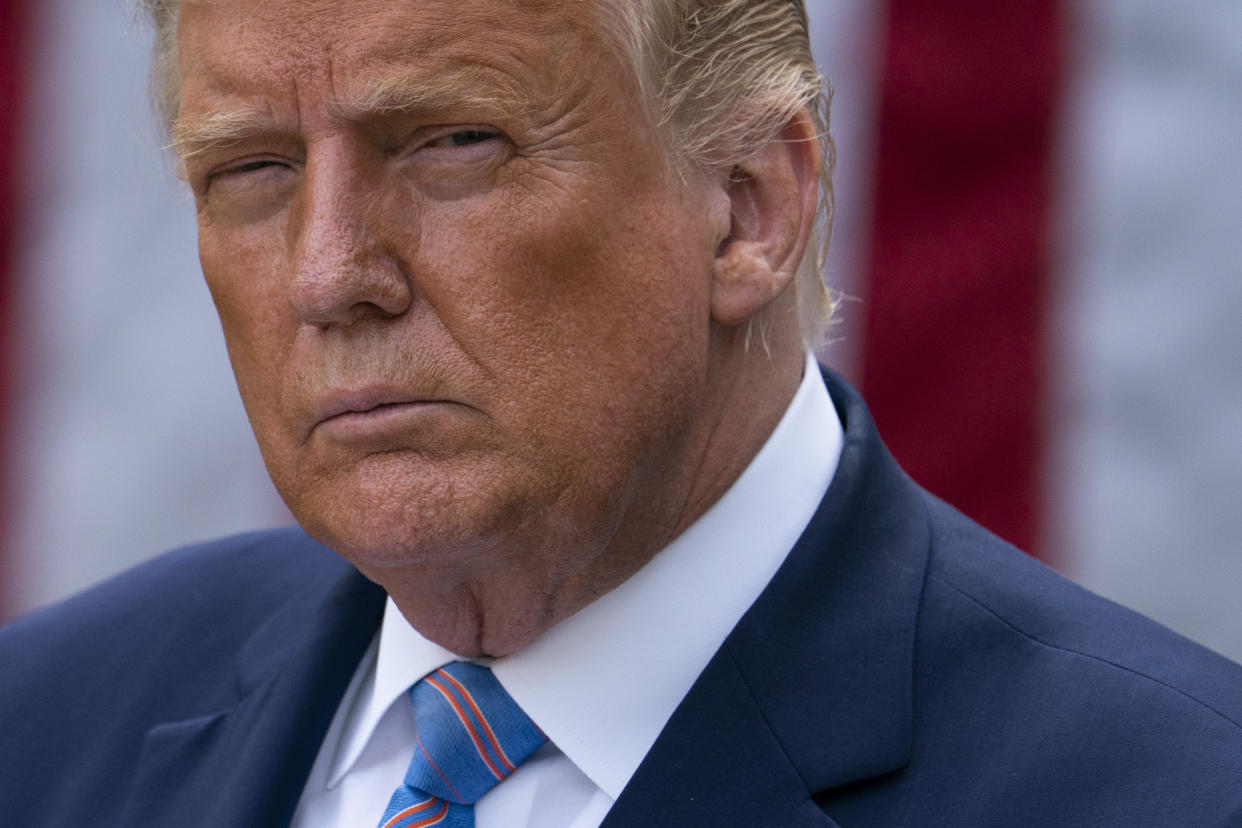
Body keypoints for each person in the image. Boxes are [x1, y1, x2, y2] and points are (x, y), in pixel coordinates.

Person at [2, 1, 1241, 825]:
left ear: (751, 206)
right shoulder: (46, 725)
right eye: (253, 171)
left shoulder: (1171, 790)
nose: (328, 275)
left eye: (451, 143)